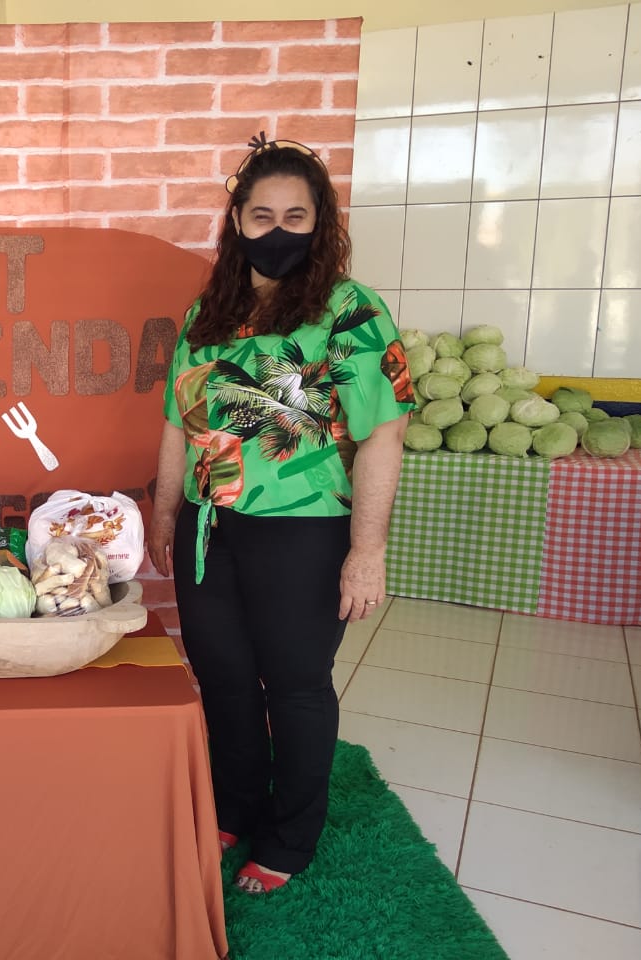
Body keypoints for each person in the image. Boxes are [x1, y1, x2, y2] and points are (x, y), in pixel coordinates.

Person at [148, 135, 413, 895]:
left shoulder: (351, 311)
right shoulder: (209, 312)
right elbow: (177, 424)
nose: (277, 230)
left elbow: (383, 433)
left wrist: (366, 551)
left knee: (295, 685)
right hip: (209, 529)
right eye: (261, 215)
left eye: (296, 215)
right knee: (224, 678)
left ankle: (291, 837)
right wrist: (165, 516)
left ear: (320, 221)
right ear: (237, 221)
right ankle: (235, 807)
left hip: (304, 532)